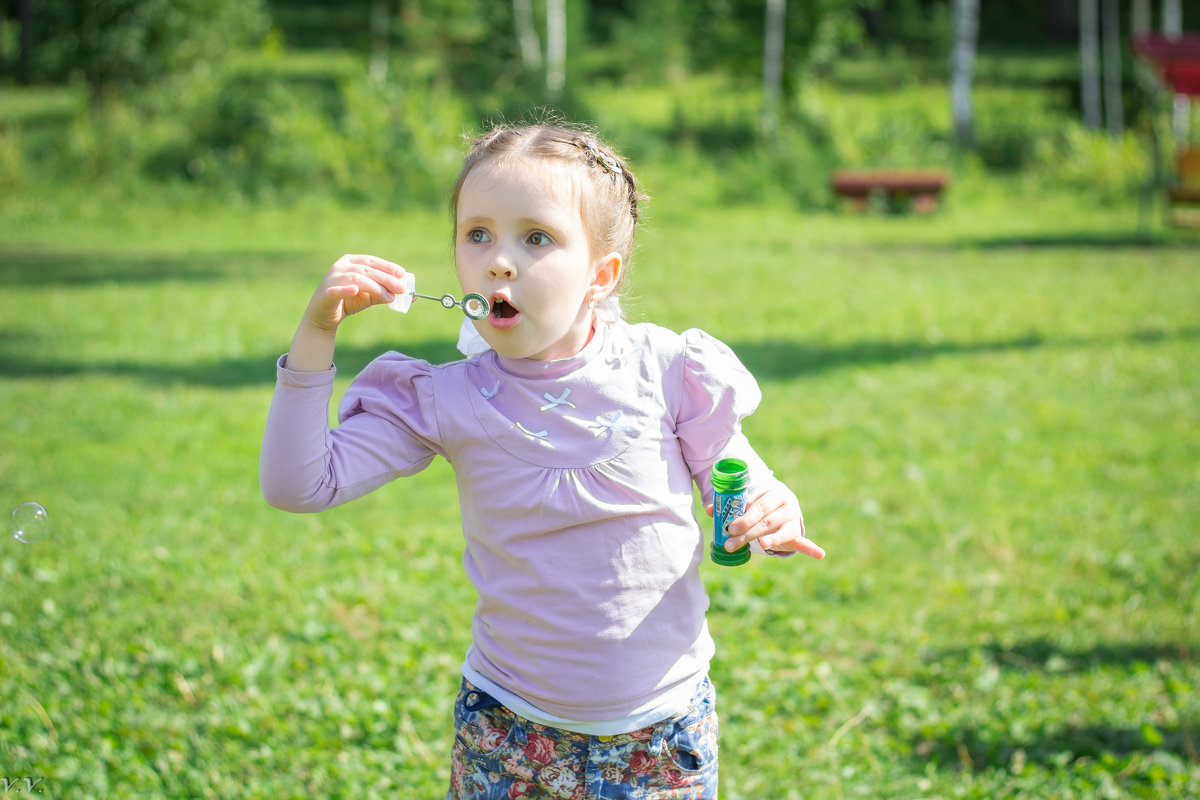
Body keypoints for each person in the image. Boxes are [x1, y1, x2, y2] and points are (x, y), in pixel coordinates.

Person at [260, 120, 825, 800]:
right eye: (478, 235)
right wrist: (316, 333)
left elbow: (740, 475)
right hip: (507, 731)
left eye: (536, 238)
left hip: (659, 734)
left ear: (600, 274)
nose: (499, 261)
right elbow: (300, 485)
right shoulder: (447, 397)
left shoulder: (668, 370)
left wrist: (774, 506)